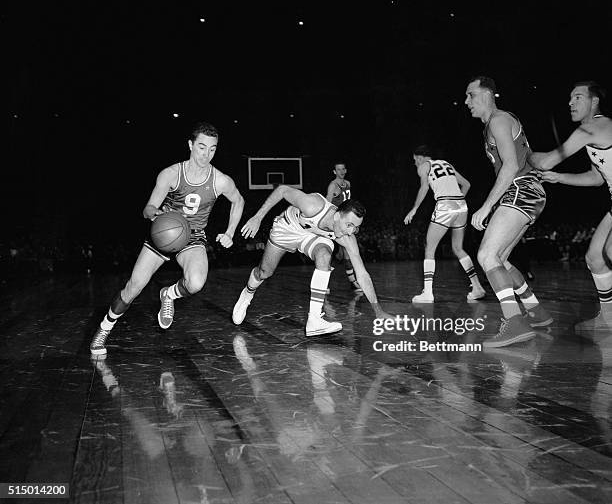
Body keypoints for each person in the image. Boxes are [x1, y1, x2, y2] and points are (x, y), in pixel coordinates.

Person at [90, 122, 244, 357]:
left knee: (196, 283)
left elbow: (239, 200)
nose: (206, 154)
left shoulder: (220, 180)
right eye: (202, 147)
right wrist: (157, 214)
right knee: (134, 286)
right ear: (190, 145)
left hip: (192, 237)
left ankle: (168, 294)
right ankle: (104, 329)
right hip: (163, 234)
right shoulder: (171, 174)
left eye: (212, 149)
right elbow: (148, 208)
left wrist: (230, 232)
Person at [231, 186, 391, 336]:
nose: (350, 231)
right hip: (288, 229)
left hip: (313, 237)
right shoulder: (314, 206)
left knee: (324, 256)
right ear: (337, 215)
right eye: (349, 225)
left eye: (355, 227)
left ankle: (314, 320)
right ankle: (247, 294)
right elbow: (282, 190)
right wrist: (258, 218)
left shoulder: (347, 237)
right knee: (264, 272)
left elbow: (362, 275)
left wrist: (378, 310)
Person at [465, 76, 552, 348]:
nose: (467, 102)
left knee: (486, 255)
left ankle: (514, 323)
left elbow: (511, 166)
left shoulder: (498, 120)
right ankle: (535, 311)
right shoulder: (498, 123)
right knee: (500, 259)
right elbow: (526, 156)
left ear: (487, 94)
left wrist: (486, 206)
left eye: (470, 95)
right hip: (529, 190)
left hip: (520, 189)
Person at [530, 81, 612, 332]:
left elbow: (545, 162)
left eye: (577, 97)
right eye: (569, 98)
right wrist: (560, 178)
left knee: (609, 252)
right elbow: (597, 177)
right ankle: (608, 318)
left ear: (594, 101)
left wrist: (525, 153)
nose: (570, 103)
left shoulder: (591, 129)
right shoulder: (594, 134)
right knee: (595, 258)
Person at [403, 145, 486, 303]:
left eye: (415, 160)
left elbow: (424, 187)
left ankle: (427, 293)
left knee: (430, 248)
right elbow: (467, 184)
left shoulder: (423, 167)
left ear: (420, 158)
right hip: (462, 206)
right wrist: (458, 201)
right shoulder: (446, 164)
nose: (415, 163)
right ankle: (477, 287)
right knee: (458, 248)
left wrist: (414, 209)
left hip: (445, 205)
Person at [325, 162, 362, 292]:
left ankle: (353, 282)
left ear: (345, 170)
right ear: (334, 172)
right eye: (338, 169)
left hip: (345, 222)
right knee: (331, 253)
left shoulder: (348, 184)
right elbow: (326, 204)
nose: (341, 171)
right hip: (335, 222)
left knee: (346, 253)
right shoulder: (333, 186)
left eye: (343, 169)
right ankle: (324, 283)